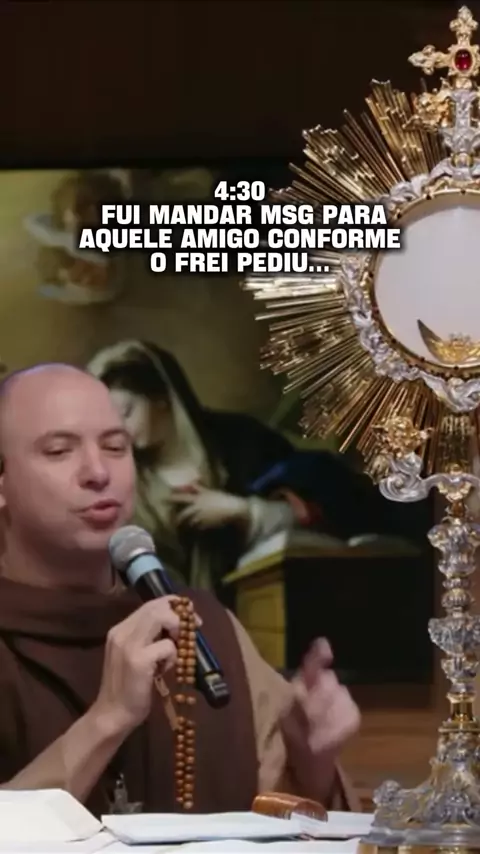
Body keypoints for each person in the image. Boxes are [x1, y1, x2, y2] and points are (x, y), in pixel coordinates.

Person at [0, 364, 360, 816]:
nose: (98, 472)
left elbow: (285, 818)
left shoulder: (207, 629)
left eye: (116, 447)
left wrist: (311, 766)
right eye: (58, 451)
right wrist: (108, 719)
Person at [87, 340, 385, 594]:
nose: (120, 431)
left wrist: (244, 512)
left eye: (126, 413)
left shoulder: (240, 442)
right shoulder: (124, 482)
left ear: (162, 398)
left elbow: (336, 516)